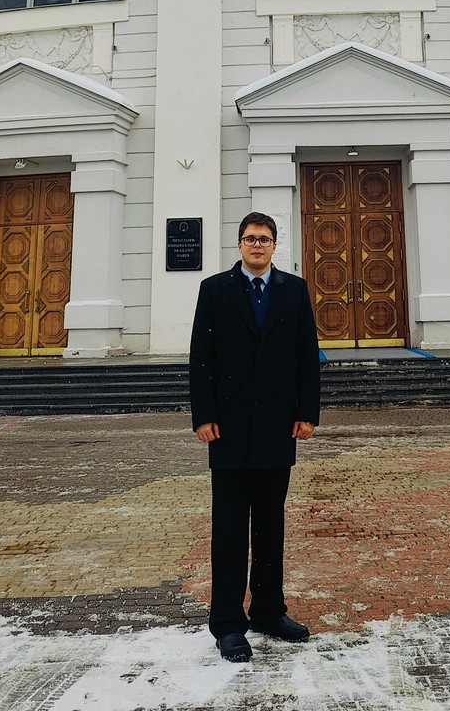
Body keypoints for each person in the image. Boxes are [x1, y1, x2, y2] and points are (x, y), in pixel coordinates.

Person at [189, 211, 321, 662]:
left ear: (275, 245)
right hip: (227, 427)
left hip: (277, 427)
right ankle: (228, 624)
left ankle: (268, 611)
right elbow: (201, 356)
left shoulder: (294, 290)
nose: (257, 245)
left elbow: (306, 355)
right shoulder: (215, 290)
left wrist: (307, 413)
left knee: (270, 525)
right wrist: (203, 415)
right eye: (250, 238)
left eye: (264, 239)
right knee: (229, 529)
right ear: (239, 244)